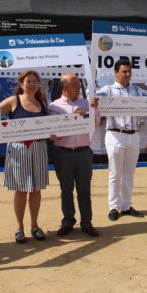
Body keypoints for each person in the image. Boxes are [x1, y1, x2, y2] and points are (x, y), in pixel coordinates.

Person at [95, 58, 147, 221]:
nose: (127, 74)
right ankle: (114, 207)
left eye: (129, 71)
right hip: (115, 135)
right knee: (115, 173)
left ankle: (126, 206)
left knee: (129, 173)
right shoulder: (107, 90)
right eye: (124, 71)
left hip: (133, 136)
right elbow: (92, 98)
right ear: (116, 73)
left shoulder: (137, 90)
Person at [0, 70, 50, 243]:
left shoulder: (42, 103)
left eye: (34, 81)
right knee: (21, 189)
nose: (31, 84)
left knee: (36, 189)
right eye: (28, 81)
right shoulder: (14, 101)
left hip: (38, 148)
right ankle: (19, 227)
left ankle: (35, 225)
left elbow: (50, 125)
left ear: (38, 84)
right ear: (21, 84)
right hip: (18, 148)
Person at [48, 73, 99, 237]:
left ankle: (86, 222)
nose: (79, 86)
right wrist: (75, 118)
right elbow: (54, 133)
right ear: (64, 87)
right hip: (63, 154)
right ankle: (68, 221)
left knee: (84, 189)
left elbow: (95, 125)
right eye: (75, 84)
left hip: (84, 152)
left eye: (78, 83)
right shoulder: (54, 107)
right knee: (66, 189)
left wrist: (95, 110)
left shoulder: (86, 103)